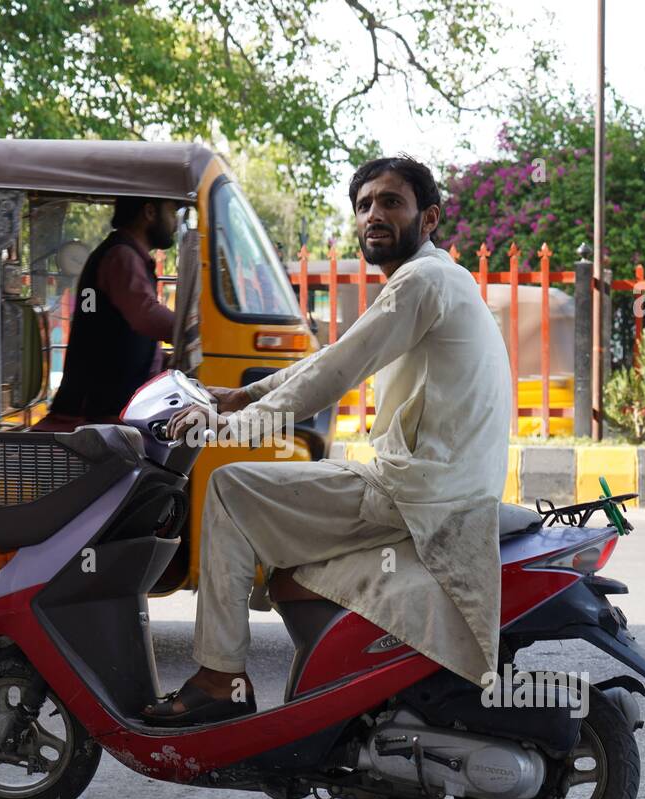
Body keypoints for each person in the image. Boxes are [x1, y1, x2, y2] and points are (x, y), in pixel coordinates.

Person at [143, 156, 512, 726]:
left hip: (413, 492)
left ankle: (221, 679)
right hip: (430, 485)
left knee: (228, 489)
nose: (374, 215)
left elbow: (334, 375)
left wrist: (229, 429)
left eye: (391, 202)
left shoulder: (422, 280)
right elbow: (334, 359)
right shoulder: (433, 279)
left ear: (430, 217)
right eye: (364, 205)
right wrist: (242, 397)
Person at [32, 196, 180, 431]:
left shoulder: (123, 254)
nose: (175, 223)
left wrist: (165, 360)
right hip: (97, 418)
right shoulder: (122, 257)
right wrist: (194, 332)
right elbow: (147, 316)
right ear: (150, 212)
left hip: (108, 412)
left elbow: (122, 334)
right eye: (172, 213)